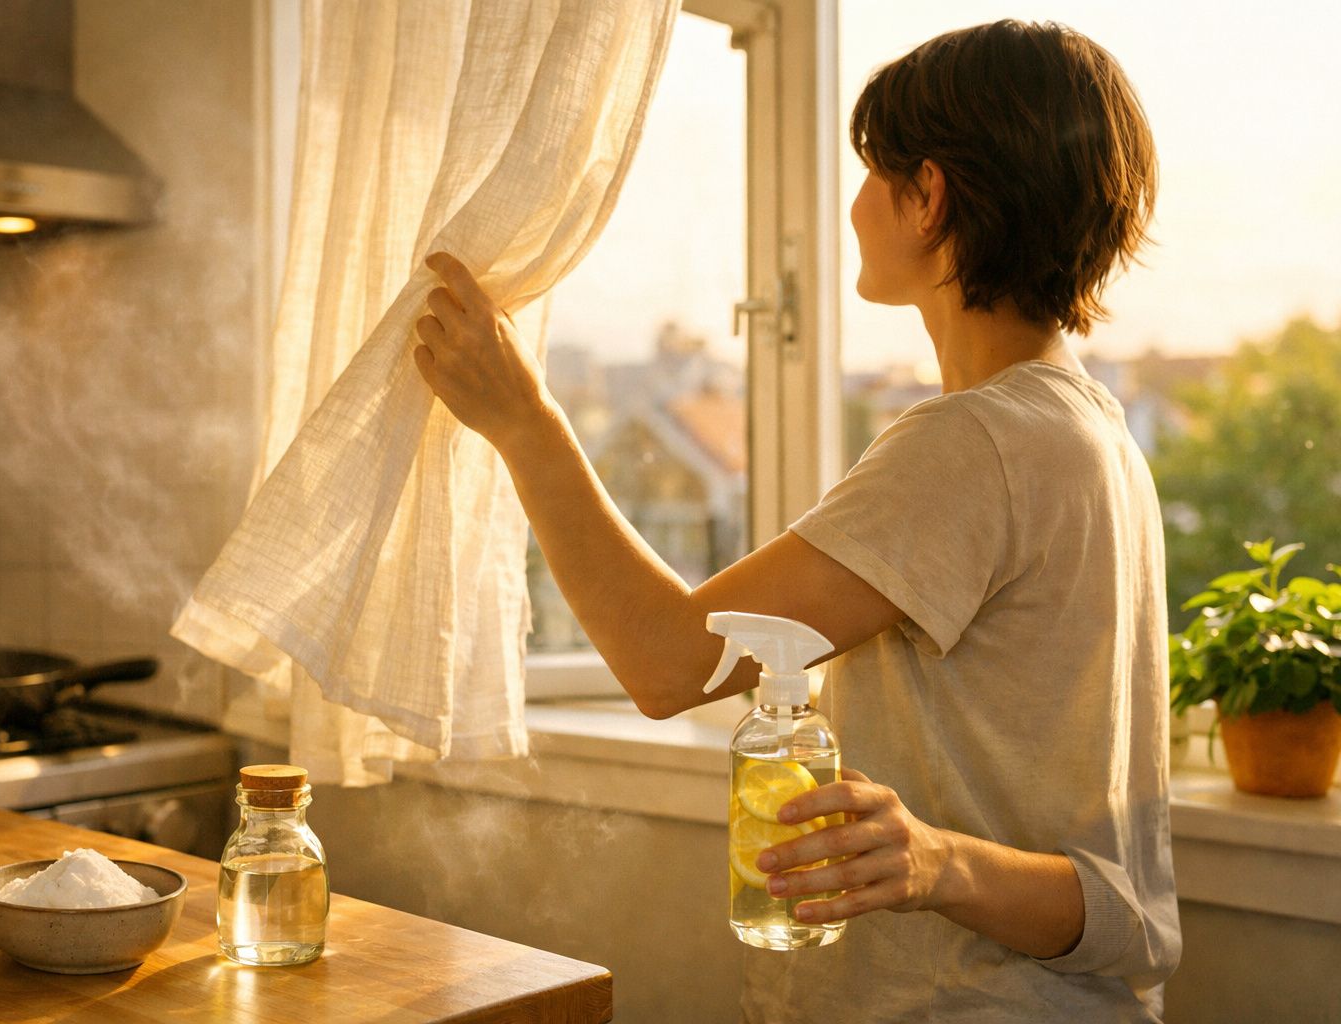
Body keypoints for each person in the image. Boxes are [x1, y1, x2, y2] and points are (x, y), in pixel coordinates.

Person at [411, 17, 1178, 1022]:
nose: (854, 207)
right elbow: (1127, 901)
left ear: (929, 194)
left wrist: (525, 422)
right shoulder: (1100, 442)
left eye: (871, 173)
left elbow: (666, 660)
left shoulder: (974, 445)